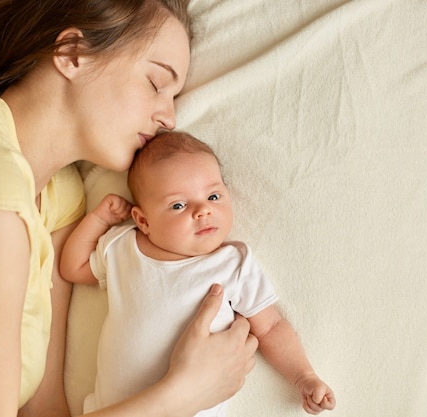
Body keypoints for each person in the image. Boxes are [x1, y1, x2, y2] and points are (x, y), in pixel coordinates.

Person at [0, 1, 260, 417]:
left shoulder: (59, 196)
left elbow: (43, 408)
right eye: (156, 83)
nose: (169, 116)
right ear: (72, 55)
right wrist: (180, 395)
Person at [60, 131, 337, 416]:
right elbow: (73, 268)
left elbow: (270, 327)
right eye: (178, 205)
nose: (203, 210)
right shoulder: (123, 246)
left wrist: (303, 376)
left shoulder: (232, 264)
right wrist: (98, 220)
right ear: (143, 221)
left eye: (213, 196)